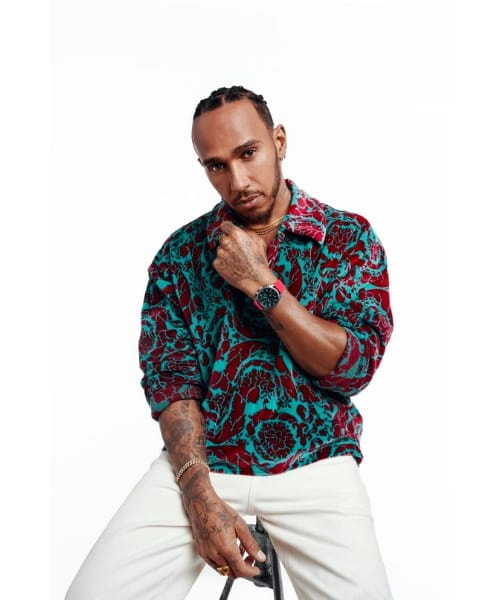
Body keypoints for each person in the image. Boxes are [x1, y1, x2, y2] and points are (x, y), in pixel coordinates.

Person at [65, 85, 394, 600]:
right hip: (206, 462)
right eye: (216, 165)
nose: (237, 181)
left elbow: (352, 367)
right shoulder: (180, 255)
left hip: (316, 459)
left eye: (248, 153)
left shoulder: (346, 238)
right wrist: (199, 496)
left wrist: (260, 283)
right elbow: (172, 383)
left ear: (278, 141)